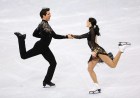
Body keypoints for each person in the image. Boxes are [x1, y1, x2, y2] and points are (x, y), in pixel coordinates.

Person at [70, 17, 131, 93]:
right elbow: (81, 36)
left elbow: (92, 42)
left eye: (87, 21)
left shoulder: (92, 31)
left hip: (97, 51)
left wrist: (94, 51)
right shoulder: (91, 31)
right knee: (90, 68)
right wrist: (72, 36)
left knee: (113, 65)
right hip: (96, 50)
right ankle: (96, 87)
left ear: (90, 23)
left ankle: (121, 49)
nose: (85, 22)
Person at [14, 8, 72, 87]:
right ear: (43, 16)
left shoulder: (42, 24)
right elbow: (55, 36)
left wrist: (43, 36)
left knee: (53, 63)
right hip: (40, 47)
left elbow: (34, 34)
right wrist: (66, 36)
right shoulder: (45, 26)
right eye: (48, 14)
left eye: (50, 13)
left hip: (44, 48)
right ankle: (21, 39)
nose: (50, 15)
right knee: (23, 56)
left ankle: (47, 81)